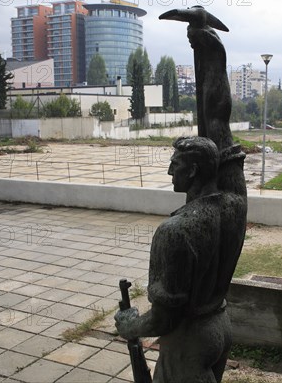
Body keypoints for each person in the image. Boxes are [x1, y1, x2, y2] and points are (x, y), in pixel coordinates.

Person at [115, 136, 241, 383]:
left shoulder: (175, 231)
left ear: (193, 170)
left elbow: (164, 318)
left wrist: (130, 326)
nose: (169, 171)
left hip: (189, 341)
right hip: (220, 324)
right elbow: (229, 148)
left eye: (175, 164)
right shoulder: (234, 205)